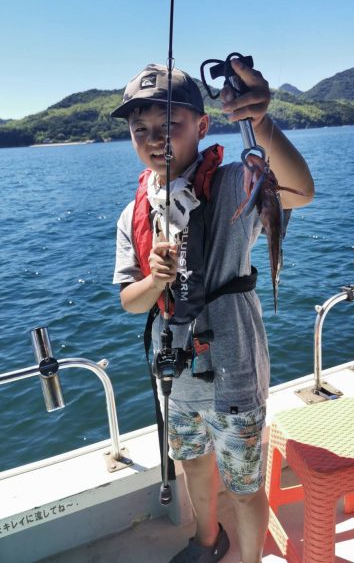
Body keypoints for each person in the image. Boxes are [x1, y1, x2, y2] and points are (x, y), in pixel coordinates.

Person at [111, 59, 314, 563]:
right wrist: (155, 281)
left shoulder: (231, 184)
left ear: (202, 127)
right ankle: (207, 540)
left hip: (235, 373)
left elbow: (300, 191)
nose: (155, 138)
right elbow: (130, 301)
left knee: (244, 486)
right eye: (141, 129)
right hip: (175, 377)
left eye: (169, 124)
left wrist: (260, 123)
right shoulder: (133, 214)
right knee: (194, 466)